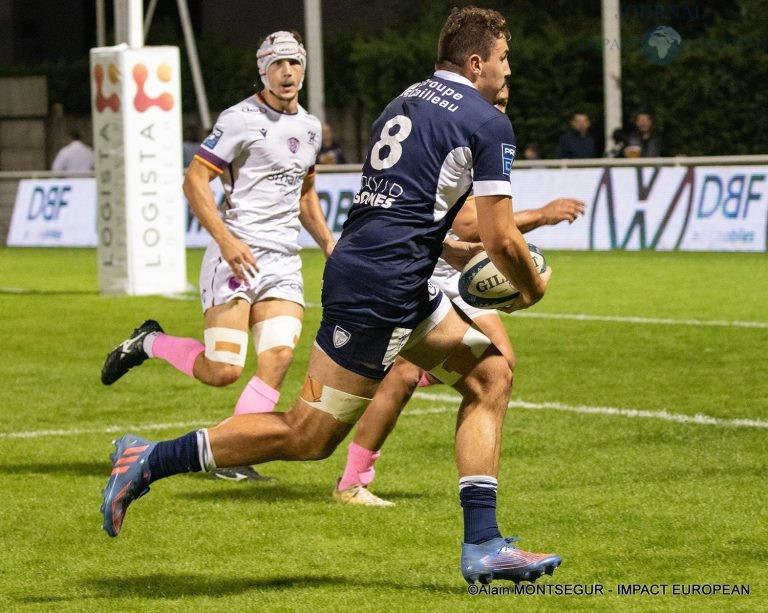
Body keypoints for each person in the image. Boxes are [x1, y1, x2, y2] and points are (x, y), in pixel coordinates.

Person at [101, 7, 562, 586]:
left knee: (490, 377)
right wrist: (530, 284)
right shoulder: (487, 122)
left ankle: (484, 544)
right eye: (503, 59)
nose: (507, 70)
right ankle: (147, 459)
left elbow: (404, 212)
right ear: (477, 63)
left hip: (383, 276)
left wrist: (450, 257)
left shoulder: (408, 100)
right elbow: (498, 235)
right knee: (307, 434)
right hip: (383, 292)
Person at [332, 86, 585, 507]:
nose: (501, 104)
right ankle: (352, 481)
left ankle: (424, 370)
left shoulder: (487, 130)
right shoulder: (464, 129)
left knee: (500, 364)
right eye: (496, 96)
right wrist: (542, 215)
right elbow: (471, 224)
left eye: (506, 97)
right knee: (405, 375)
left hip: (457, 268)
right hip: (426, 268)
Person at [100, 30, 336, 482]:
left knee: (279, 359)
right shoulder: (240, 118)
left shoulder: (309, 127)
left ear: (303, 69)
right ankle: (148, 341)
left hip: (283, 262)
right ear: (262, 70)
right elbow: (194, 180)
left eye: (294, 64)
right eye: (277, 64)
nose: (287, 73)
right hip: (236, 256)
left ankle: (232, 454)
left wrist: (327, 242)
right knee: (224, 370)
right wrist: (226, 240)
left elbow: (306, 195)